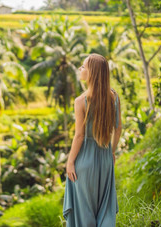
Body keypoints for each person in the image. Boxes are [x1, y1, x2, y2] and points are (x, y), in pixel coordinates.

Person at [63, 53, 122, 227]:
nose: (80, 69)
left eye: (83, 67)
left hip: (84, 163)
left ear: (92, 73)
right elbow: (118, 128)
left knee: (84, 214)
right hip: (105, 160)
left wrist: (70, 161)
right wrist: (111, 151)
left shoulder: (81, 101)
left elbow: (79, 135)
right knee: (104, 211)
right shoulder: (114, 97)